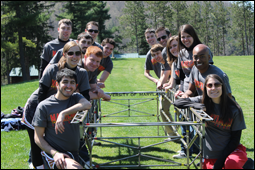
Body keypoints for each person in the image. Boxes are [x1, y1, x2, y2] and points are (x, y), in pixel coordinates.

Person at [22, 41, 90, 169]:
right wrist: (46, 115)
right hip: (38, 106)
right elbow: (41, 95)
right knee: (38, 143)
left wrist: (69, 113)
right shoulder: (53, 68)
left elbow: (86, 98)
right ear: (64, 54)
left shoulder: (82, 73)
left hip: (60, 107)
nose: (74, 56)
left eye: (78, 53)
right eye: (71, 53)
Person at [33, 68, 92, 169]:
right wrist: (55, 153)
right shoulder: (44, 106)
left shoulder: (76, 98)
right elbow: (37, 137)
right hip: (56, 155)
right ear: (57, 84)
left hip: (74, 153)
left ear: (76, 86)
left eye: (72, 83)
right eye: (65, 82)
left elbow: (87, 104)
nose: (69, 86)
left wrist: (63, 113)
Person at [173, 24, 214, 159]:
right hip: (187, 90)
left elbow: (209, 71)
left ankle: (199, 152)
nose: (185, 40)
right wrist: (179, 89)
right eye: (183, 37)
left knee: (197, 126)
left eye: (188, 36)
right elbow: (180, 74)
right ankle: (185, 149)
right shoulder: (182, 53)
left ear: (193, 36)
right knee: (183, 122)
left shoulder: (202, 49)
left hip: (200, 92)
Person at [201, 74, 247, 169]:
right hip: (210, 155)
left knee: (231, 164)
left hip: (232, 152)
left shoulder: (234, 109)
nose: (213, 88)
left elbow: (235, 140)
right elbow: (178, 103)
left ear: (222, 86)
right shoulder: (202, 103)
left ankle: (246, 165)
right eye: (210, 85)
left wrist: (219, 163)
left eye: (217, 85)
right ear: (205, 88)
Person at [150, 43, 177, 141]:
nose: (156, 56)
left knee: (179, 113)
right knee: (162, 109)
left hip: (175, 88)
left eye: (158, 53)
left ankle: (181, 136)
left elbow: (165, 76)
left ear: (163, 52)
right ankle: (172, 134)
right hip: (167, 88)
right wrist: (159, 83)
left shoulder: (167, 61)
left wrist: (160, 84)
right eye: (154, 55)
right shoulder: (162, 63)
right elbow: (162, 77)